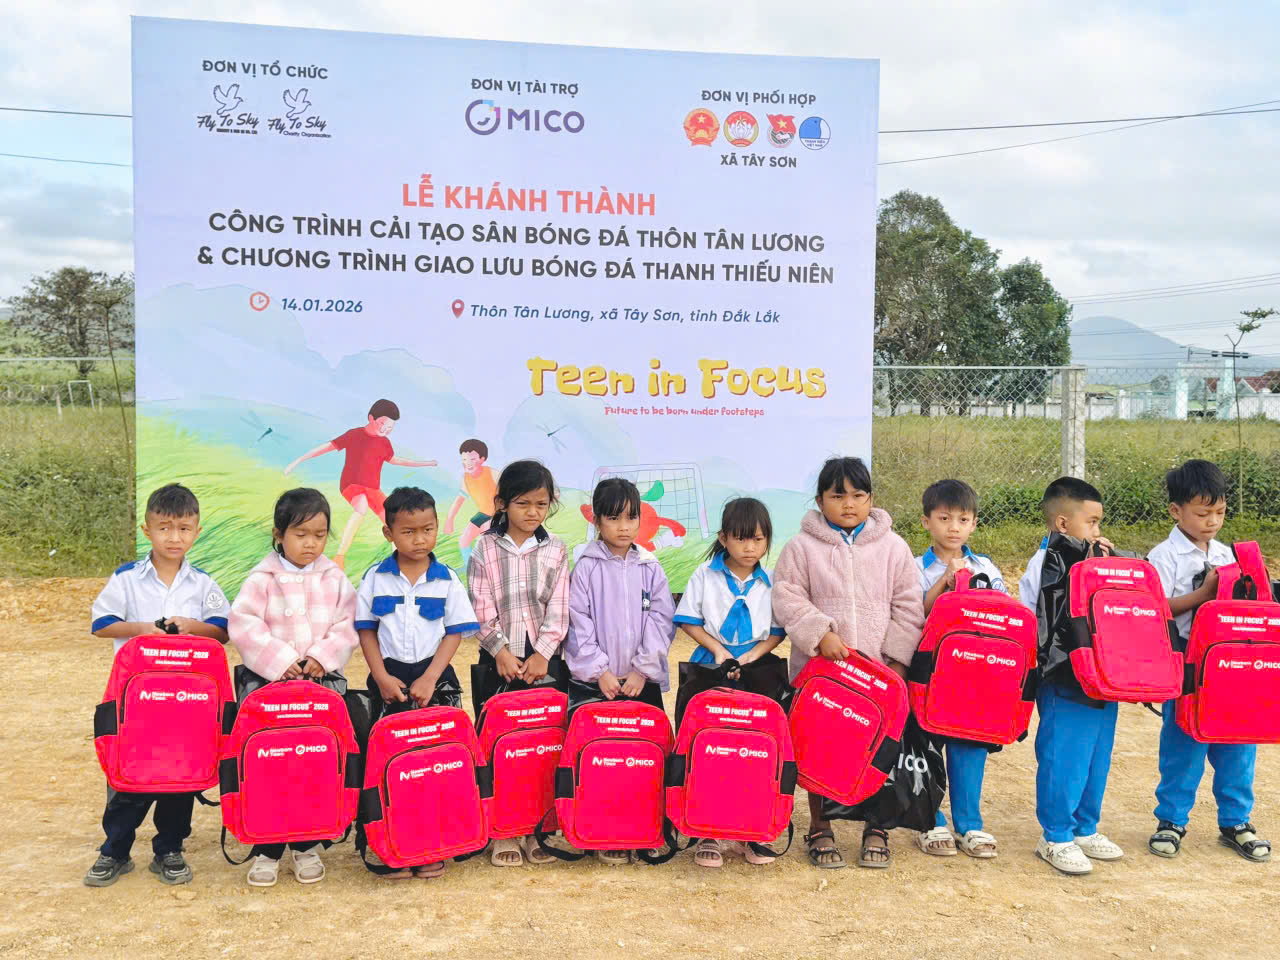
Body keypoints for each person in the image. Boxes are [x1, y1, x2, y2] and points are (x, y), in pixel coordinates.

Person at [773, 456, 924, 870]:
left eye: (858, 495)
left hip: (878, 674)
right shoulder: (801, 547)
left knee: (877, 749)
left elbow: (909, 606)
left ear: (871, 499)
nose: (849, 504)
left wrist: (897, 663)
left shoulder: (894, 547)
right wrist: (819, 632)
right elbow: (786, 595)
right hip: (823, 674)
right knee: (818, 745)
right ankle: (819, 826)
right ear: (820, 500)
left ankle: (878, 826)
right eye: (838, 496)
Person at [84, 484, 230, 887]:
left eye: (184, 528)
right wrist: (144, 630)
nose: (174, 537)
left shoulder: (202, 584)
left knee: (178, 775)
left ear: (197, 532)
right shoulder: (127, 579)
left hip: (186, 704)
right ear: (147, 530)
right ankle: (115, 850)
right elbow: (101, 624)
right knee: (127, 774)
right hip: (136, 702)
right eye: (164, 528)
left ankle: (169, 849)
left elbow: (222, 631)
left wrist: (191, 626)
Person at [228, 487, 359, 888]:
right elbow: (244, 625)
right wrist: (280, 661)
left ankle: (306, 843)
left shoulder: (334, 578)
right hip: (270, 690)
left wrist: (322, 655)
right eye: (300, 534)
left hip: (321, 687)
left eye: (319, 535)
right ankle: (266, 848)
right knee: (270, 765)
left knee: (314, 764)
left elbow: (348, 625)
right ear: (279, 534)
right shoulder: (262, 579)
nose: (310, 544)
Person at [1146, 459, 1270, 863]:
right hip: (1188, 665)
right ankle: (1171, 820)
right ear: (1176, 510)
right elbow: (1156, 609)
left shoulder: (1229, 554)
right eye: (1202, 514)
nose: (1212, 521)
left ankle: (1236, 821)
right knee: (1184, 744)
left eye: (1219, 512)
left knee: (1238, 745)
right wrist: (1204, 594)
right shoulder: (1164, 556)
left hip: (1231, 669)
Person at [355, 486, 480, 877]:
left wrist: (430, 677)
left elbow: (454, 633)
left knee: (434, 764)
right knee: (384, 763)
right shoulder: (375, 578)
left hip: (434, 680)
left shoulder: (447, 580)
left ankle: (431, 844)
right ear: (388, 533)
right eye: (408, 531)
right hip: (388, 680)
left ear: (437, 528)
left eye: (428, 529)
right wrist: (380, 676)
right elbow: (366, 630)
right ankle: (387, 843)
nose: (420, 539)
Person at [565, 477, 676, 865]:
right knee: (604, 759)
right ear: (596, 520)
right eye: (614, 518)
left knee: (644, 758)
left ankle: (646, 827)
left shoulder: (650, 566)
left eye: (631, 517)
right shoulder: (585, 568)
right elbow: (578, 622)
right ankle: (604, 830)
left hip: (640, 684)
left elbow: (661, 619)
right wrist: (600, 671)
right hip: (600, 684)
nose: (624, 527)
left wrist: (643, 670)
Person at [466, 459, 570, 867]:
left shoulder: (557, 548)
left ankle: (540, 828)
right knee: (499, 747)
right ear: (502, 503)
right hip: (499, 660)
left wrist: (543, 652)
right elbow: (479, 605)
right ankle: (504, 830)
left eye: (541, 504)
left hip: (545, 663)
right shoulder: (485, 547)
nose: (532, 512)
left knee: (543, 748)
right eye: (523, 503)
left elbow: (559, 607)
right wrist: (500, 650)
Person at [1019, 476, 1124, 876]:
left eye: (1099, 523)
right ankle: (1055, 835)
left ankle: (1084, 827)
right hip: (1064, 678)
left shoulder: (1094, 560)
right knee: (1065, 756)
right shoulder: (1044, 563)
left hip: (1102, 675)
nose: (1097, 530)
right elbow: (1042, 621)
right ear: (1063, 524)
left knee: (1096, 755)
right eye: (1091, 522)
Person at [674, 496, 786, 868]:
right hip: (711, 664)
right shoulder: (703, 576)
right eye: (741, 538)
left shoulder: (773, 582)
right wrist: (719, 651)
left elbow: (777, 631)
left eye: (758, 539)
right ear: (723, 538)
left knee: (753, 749)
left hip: (757, 667)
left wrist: (752, 656)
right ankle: (706, 830)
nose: (750, 547)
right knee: (709, 747)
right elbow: (688, 620)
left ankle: (750, 831)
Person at [913, 479, 1007, 860]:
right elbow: (914, 613)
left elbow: (1002, 616)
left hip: (974, 676)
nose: (954, 527)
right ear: (926, 521)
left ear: (974, 524)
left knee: (969, 744)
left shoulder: (986, 567)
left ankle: (969, 822)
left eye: (963, 519)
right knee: (928, 745)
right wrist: (943, 582)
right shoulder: (914, 567)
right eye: (944, 518)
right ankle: (930, 819)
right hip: (931, 674)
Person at [284, 399, 436, 570]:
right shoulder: (355, 435)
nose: (385, 430)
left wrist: (425, 463)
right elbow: (327, 447)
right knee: (361, 506)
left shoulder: (384, 443)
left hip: (373, 489)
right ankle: (340, 556)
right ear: (371, 418)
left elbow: (396, 460)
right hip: (352, 485)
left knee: (394, 517)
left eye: (390, 428)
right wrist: (298, 460)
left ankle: (400, 559)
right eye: (382, 424)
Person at [445, 438, 498, 569]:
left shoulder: (493, 473)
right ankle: (470, 568)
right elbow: (459, 500)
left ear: (482, 459)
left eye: (472, 459)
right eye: (464, 459)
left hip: (499, 514)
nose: (468, 463)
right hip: (483, 513)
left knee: (485, 540)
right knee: (464, 541)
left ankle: (490, 569)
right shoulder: (466, 478)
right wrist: (449, 520)